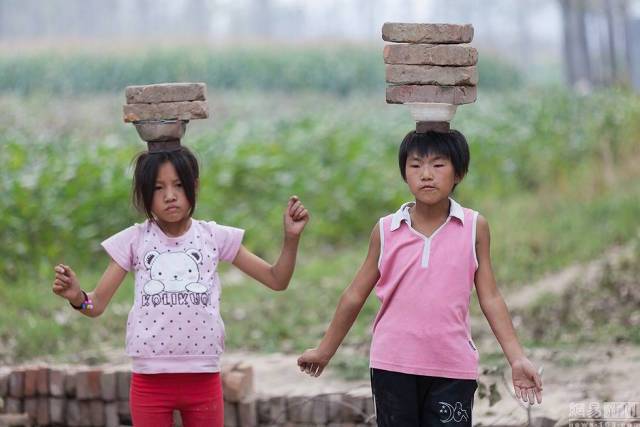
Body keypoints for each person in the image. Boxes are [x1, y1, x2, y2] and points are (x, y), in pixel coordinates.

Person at [297, 129, 542, 426]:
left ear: (459, 173)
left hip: (452, 368)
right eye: (415, 165)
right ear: (404, 174)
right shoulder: (387, 230)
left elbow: (490, 297)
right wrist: (325, 351)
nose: (426, 174)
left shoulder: (474, 227)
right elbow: (354, 295)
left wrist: (516, 358)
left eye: (438, 165)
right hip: (393, 365)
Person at [52, 145, 309, 427]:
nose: (170, 196)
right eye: (158, 188)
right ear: (144, 193)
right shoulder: (134, 240)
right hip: (149, 382)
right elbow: (95, 305)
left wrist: (291, 239)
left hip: (203, 379)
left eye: (177, 185)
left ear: (194, 187)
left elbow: (276, 280)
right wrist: (77, 297)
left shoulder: (214, 237)